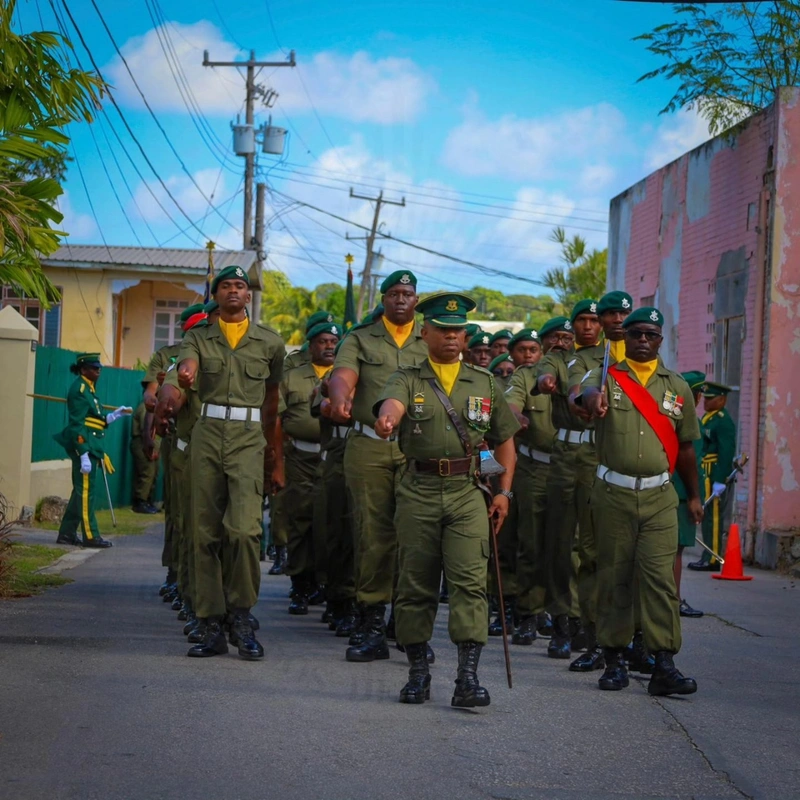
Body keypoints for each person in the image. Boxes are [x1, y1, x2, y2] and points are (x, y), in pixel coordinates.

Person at [373, 292, 520, 707]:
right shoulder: (408, 376)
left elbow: (504, 441)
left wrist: (504, 493)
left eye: (458, 330)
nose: (452, 337)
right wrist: (388, 418)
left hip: (467, 493)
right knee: (414, 584)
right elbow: (393, 403)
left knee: (470, 584)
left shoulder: (484, 381)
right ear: (426, 332)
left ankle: (466, 680)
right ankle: (418, 674)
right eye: (443, 329)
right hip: (417, 491)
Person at [581, 307, 701, 696]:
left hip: (660, 495)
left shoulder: (677, 386)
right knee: (614, 575)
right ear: (625, 338)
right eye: (636, 334)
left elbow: (685, 449)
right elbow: (577, 395)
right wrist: (589, 398)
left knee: (660, 580)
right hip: (613, 493)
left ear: (660, 340)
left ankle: (662, 662)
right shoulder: (605, 377)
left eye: (650, 334)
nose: (643, 340)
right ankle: (613, 660)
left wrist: (694, 495)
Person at [176, 264, 285, 661]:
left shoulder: (269, 343)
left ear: (249, 295)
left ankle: (241, 615)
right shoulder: (196, 336)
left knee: (243, 532)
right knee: (204, 533)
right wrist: (186, 376)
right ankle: (209, 623)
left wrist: (273, 454)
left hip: (248, 439)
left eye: (240, 286)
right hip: (207, 434)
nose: (234, 292)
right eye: (226, 286)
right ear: (216, 293)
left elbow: (273, 400)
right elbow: (186, 367)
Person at [328, 270, 428, 663]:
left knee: (415, 536)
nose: (401, 299)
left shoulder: (430, 338)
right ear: (384, 299)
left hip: (417, 449)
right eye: (395, 293)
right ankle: (370, 623)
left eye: (408, 294)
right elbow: (343, 376)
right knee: (373, 535)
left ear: (416, 300)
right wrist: (339, 397)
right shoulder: (360, 338)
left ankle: (405, 626)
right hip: (370, 447)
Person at [535, 315, 588, 658]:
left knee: (595, 544)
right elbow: (545, 374)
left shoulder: (610, 356)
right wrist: (547, 382)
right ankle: (562, 621)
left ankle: (592, 622)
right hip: (567, 453)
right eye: (578, 323)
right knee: (562, 540)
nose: (567, 339)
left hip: (602, 452)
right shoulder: (556, 357)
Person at [281, 321, 340, 614]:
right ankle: (300, 585)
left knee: (330, 521)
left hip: (334, 457)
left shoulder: (344, 376)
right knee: (300, 520)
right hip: (299, 457)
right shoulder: (290, 377)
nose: (328, 346)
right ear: (310, 345)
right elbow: (276, 419)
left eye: (333, 341)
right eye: (322, 341)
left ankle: (328, 585)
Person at [154, 304, 208, 630]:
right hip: (186, 449)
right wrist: (164, 398)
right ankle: (183, 583)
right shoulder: (177, 361)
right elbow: (159, 396)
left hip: (228, 452)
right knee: (184, 521)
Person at [504, 334, 555, 647]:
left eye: (533, 350)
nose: (528, 355)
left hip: (569, 467)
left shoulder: (573, 375)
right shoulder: (523, 378)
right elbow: (510, 408)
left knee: (567, 548)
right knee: (531, 543)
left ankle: (563, 616)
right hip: (532, 467)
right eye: (522, 350)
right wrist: (515, 416)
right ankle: (527, 612)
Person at [54, 353, 131, 548]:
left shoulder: (88, 389)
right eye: (93, 367)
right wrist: (84, 453)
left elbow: (95, 419)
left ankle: (66, 533)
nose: (98, 370)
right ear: (83, 370)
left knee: (81, 492)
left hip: (91, 445)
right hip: (85, 447)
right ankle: (90, 536)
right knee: (86, 492)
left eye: (98, 367)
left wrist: (113, 416)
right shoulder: (80, 389)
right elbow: (77, 425)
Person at [143, 335, 182, 596]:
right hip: (178, 440)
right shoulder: (168, 357)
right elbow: (150, 398)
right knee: (178, 509)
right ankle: (175, 571)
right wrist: (150, 435)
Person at [688, 381, 737, 573]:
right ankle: (707, 554)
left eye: (710, 399)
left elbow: (726, 451)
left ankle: (714, 557)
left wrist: (720, 478)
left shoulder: (723, 421)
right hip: (705, 471)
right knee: (706, 516)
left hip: (714, 470)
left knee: (713, 517)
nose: (706, 402)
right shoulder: (709, 418)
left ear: (722, 400)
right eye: (705, 398)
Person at [673, 371, 706, 617]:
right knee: (675, 550)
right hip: (682, 495)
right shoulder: (688, 420)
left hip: (673, 492)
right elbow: (689, 463)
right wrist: (694, 498)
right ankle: (673, 601)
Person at [130, 401, 159, 514]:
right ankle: (140, 502)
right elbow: (145, 429)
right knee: (147, 472)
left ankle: (147, 501)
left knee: (153, 472)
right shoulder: (145, 407)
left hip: (151, 443)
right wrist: (149, 448)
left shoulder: (155, 405)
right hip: (142, 442)